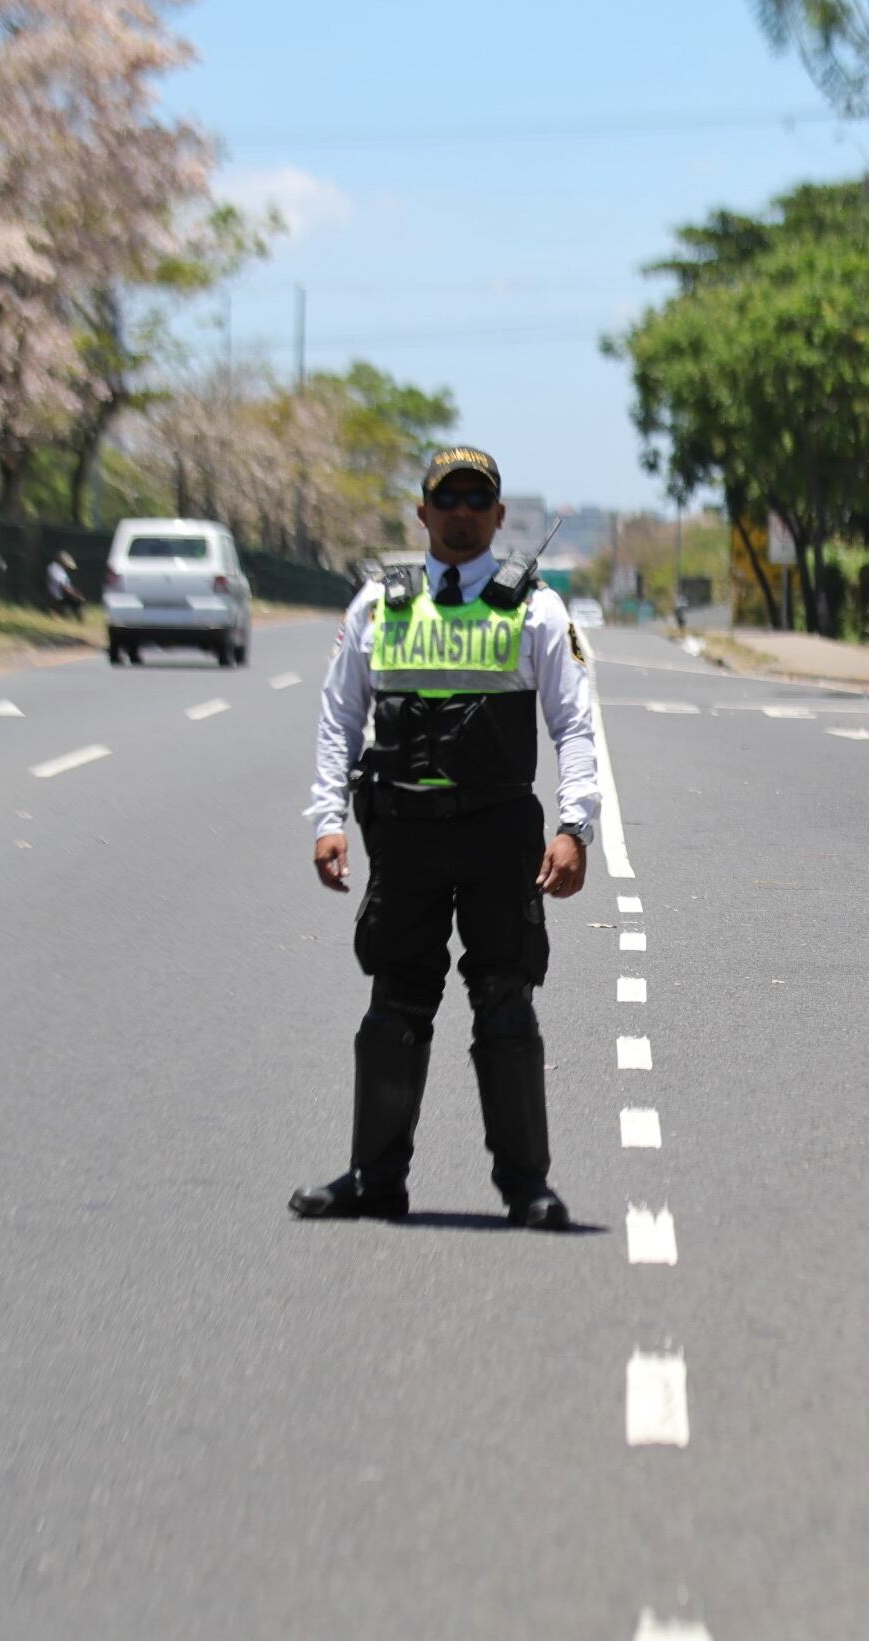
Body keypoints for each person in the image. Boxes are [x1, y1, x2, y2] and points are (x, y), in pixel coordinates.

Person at [292, 446, 601, 1229]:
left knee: (504, 1001)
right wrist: (327, 819)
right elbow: (338, 716)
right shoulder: (378, 604)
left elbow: (574, 723)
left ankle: (526, 1187)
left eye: (476, 499)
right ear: (422, 512)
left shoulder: (536, 608)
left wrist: (575, 826)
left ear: (498, 515)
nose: (461, 511)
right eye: (447, 498)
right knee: (394, 1003)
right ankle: (375, 1179)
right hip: (403, 832)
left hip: (497, 832)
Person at [46, 551, 84, 621]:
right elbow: (63, 586)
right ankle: (58, 613)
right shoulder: (54, 568)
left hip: (62, 595)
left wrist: (75, 592)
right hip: (57, 596)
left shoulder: (61, 570)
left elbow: (66, 585)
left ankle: (73, 618)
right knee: (76, 600)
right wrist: (74, 595)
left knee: (77, 601)